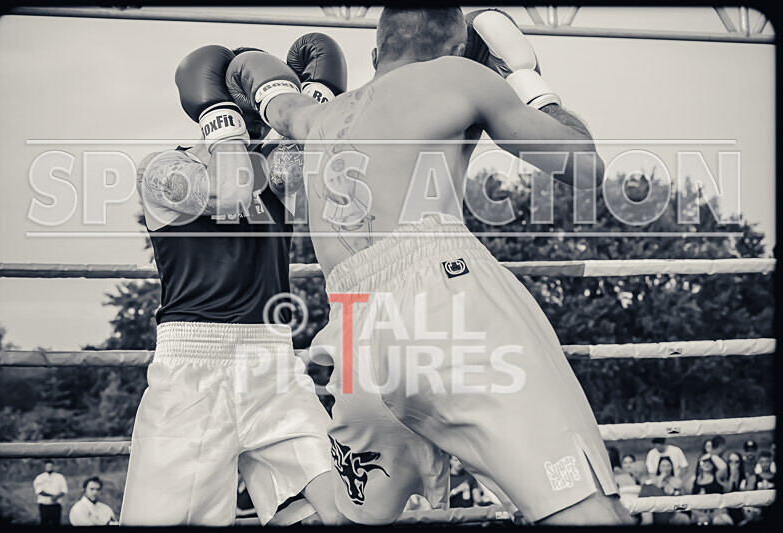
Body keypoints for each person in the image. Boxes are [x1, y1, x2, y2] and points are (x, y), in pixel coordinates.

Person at [226, 7, 632, 525]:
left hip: (353, 337)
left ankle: (280, 482)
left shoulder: (317, 119)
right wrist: (527, 81)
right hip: (446, 303)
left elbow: (276, 103)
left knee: (352, 518)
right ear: (457, 47)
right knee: (582, 508)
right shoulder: (459, 74)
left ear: (376, 55)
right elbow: (584, 164)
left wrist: (252, 78)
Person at [120, 35, 348, 527]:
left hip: (273, 359)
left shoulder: (276, 171)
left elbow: (322, 180)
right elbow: (230, 190)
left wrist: (311, 102)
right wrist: (223, 121)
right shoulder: (164, 168)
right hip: (192, 370)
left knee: (343, 508)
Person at [637, 457, 688, 525]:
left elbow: (683, 499)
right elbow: (655, 492)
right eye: (663, 466)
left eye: (668, 466)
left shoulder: (677, 481)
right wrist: (661, 478)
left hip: (676, 508)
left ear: (671, 467)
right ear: (659, 468)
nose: (666, 468)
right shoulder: (654, 481)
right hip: (659, 510)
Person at [33, 460, 67, 526]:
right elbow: (39, 491)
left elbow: (64, 490)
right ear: (45, 466)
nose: (49, 467)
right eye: (47, 466)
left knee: (56, 523)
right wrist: (52, 496)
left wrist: (56, 497)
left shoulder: (60, 477)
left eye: (50, 466)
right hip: (44, 506)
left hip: (56, 505)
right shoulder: (40, 477)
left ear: (53, 466)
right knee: (44, 523)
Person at [721, 451, 747, 525]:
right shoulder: (724, 475)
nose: (733, 464)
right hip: (728, 508)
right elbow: (726, 490)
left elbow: (744, 493)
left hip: (740, 508)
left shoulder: (744, 476)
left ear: (740, 463)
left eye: (736, 462)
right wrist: (732, 476)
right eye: (730, 461)